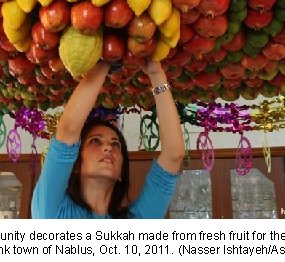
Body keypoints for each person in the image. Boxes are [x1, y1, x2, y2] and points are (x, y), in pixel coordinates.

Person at [31, 59, 185, 218]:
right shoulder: (50, 211)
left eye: (115, 144)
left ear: (121, 172)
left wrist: (157, 75)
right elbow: (68, 129)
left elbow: (173, 155)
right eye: (95, 141)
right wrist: (104, 62)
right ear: (76, 165)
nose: (108, 148)